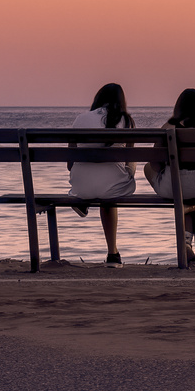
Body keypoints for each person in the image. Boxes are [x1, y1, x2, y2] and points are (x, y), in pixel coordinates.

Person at [67, 83, 136, 265]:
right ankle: (112, 253)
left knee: (102, 185)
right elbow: (131, 157)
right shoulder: (126, 121)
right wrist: (130, 172)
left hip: (81, 184)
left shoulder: (80, 119)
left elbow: (69, 163)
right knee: (111, 189)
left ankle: (82, 199)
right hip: (113, 186)